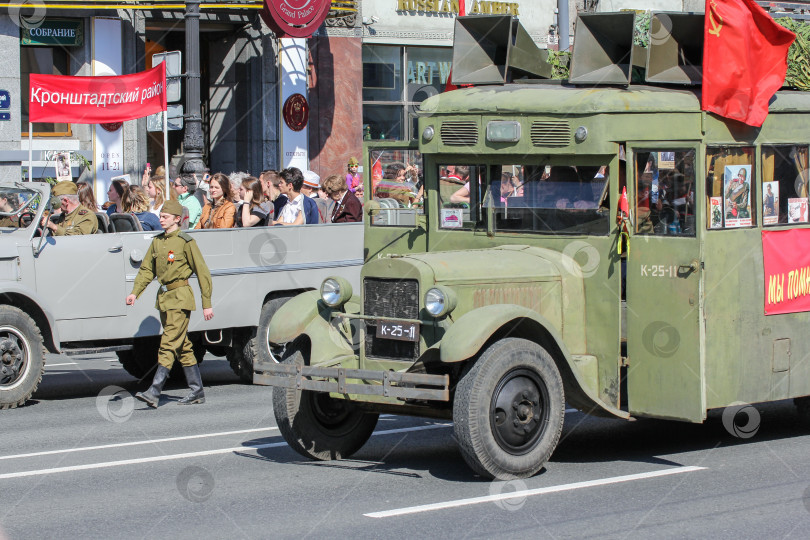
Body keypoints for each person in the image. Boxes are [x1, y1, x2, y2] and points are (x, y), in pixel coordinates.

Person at [127, 199, 213, 408]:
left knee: (167, 344)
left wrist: (207, 303)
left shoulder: (185, 242)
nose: (161, 220)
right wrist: (135, 292)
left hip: (181, 297)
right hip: (165, 299)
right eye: (161, 216)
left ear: (176, 219)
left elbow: (203, 273)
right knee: (181, 344)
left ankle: (154, 391)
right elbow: (147, 269)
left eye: (165, 217)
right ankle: (196, 390)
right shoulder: (158, 241)